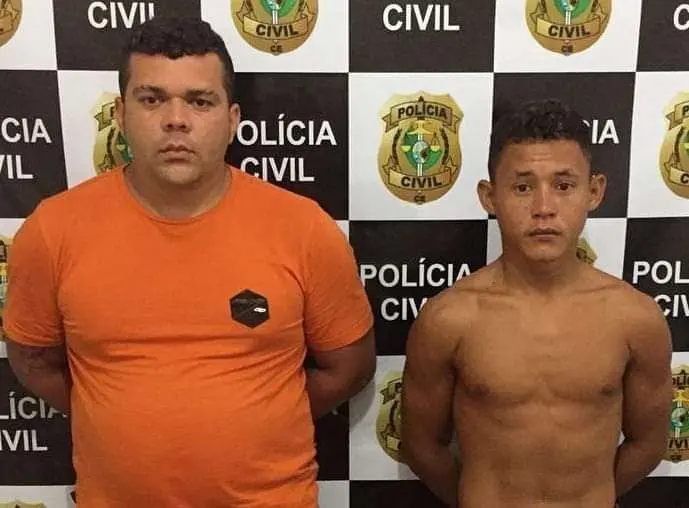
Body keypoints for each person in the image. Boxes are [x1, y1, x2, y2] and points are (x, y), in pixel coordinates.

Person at [3, 16, 375, 508]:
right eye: (152, 99)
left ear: (233, 118)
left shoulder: (303, 228)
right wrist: (113, 410)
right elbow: (32, 359)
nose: (176, 119)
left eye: (200, 101)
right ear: (120, 114)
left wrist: (264, 414)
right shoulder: (53, 231)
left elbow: (349, 366)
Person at [400, 99, 673, 508]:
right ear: (490, 196)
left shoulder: (635, 318)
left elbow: (649, 444)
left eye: (563, 186)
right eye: (523, 187)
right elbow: (421, 446)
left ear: (594, 191)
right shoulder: (450, 318)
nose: (544, 209)